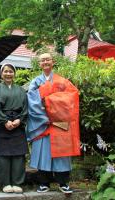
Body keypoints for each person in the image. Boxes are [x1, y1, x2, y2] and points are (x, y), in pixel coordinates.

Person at [26, 52, 80, 194]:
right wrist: (46, 115)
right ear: (39, 64)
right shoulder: (35, 82)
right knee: (43, 153)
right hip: (43, 123)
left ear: (53, 62)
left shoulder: (63, 81)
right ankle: (44, 183)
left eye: (47, 59)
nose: (45, 62)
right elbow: (32, 100)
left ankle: (63, 183)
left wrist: (50, 102)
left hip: (60, 123)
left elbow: (71, 97)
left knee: (62, 154)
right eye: (42, 60)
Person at [0, 63, 28, 193]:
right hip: (2, 123)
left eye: (11, 71)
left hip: (18, 123)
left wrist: (19, 120)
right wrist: (4, 121)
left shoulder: (21, 90)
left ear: (14, 74)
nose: (8, 74)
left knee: (18, 154)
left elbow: (26, 107)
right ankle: (5, 183)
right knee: (3, 155)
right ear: (1, 74)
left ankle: (17, 182)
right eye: (5, 71)